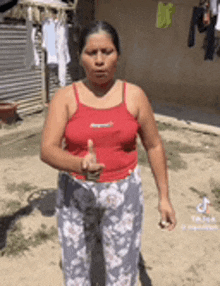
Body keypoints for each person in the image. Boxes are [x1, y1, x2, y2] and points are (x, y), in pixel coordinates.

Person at [40, 20, 176, 286]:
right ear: (80, 57)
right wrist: (79, 164)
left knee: (122, 270)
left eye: (107, 51)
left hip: (124, 194)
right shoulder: (66, 98)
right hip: (76, 193)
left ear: (119, 55)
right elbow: (47, 150)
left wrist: (165, 198)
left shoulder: (135, 96)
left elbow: (154, 145)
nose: (100, 61)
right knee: (76, 269)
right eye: (92, 53)